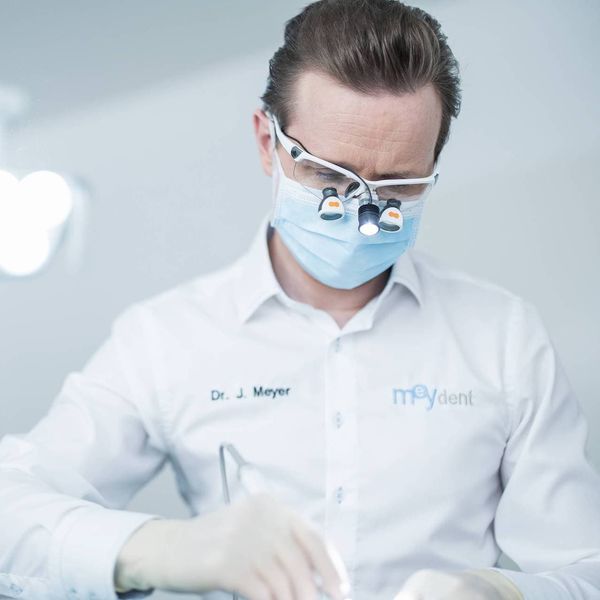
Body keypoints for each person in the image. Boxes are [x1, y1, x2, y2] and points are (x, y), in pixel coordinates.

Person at [1, 1, 600, 599]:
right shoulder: (165, 339)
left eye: (398, 185)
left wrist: (502, 593)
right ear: (268, 142)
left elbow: (586, 567)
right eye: (331, 177)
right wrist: (155, 548)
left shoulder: (504, 339)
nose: (365, 216)